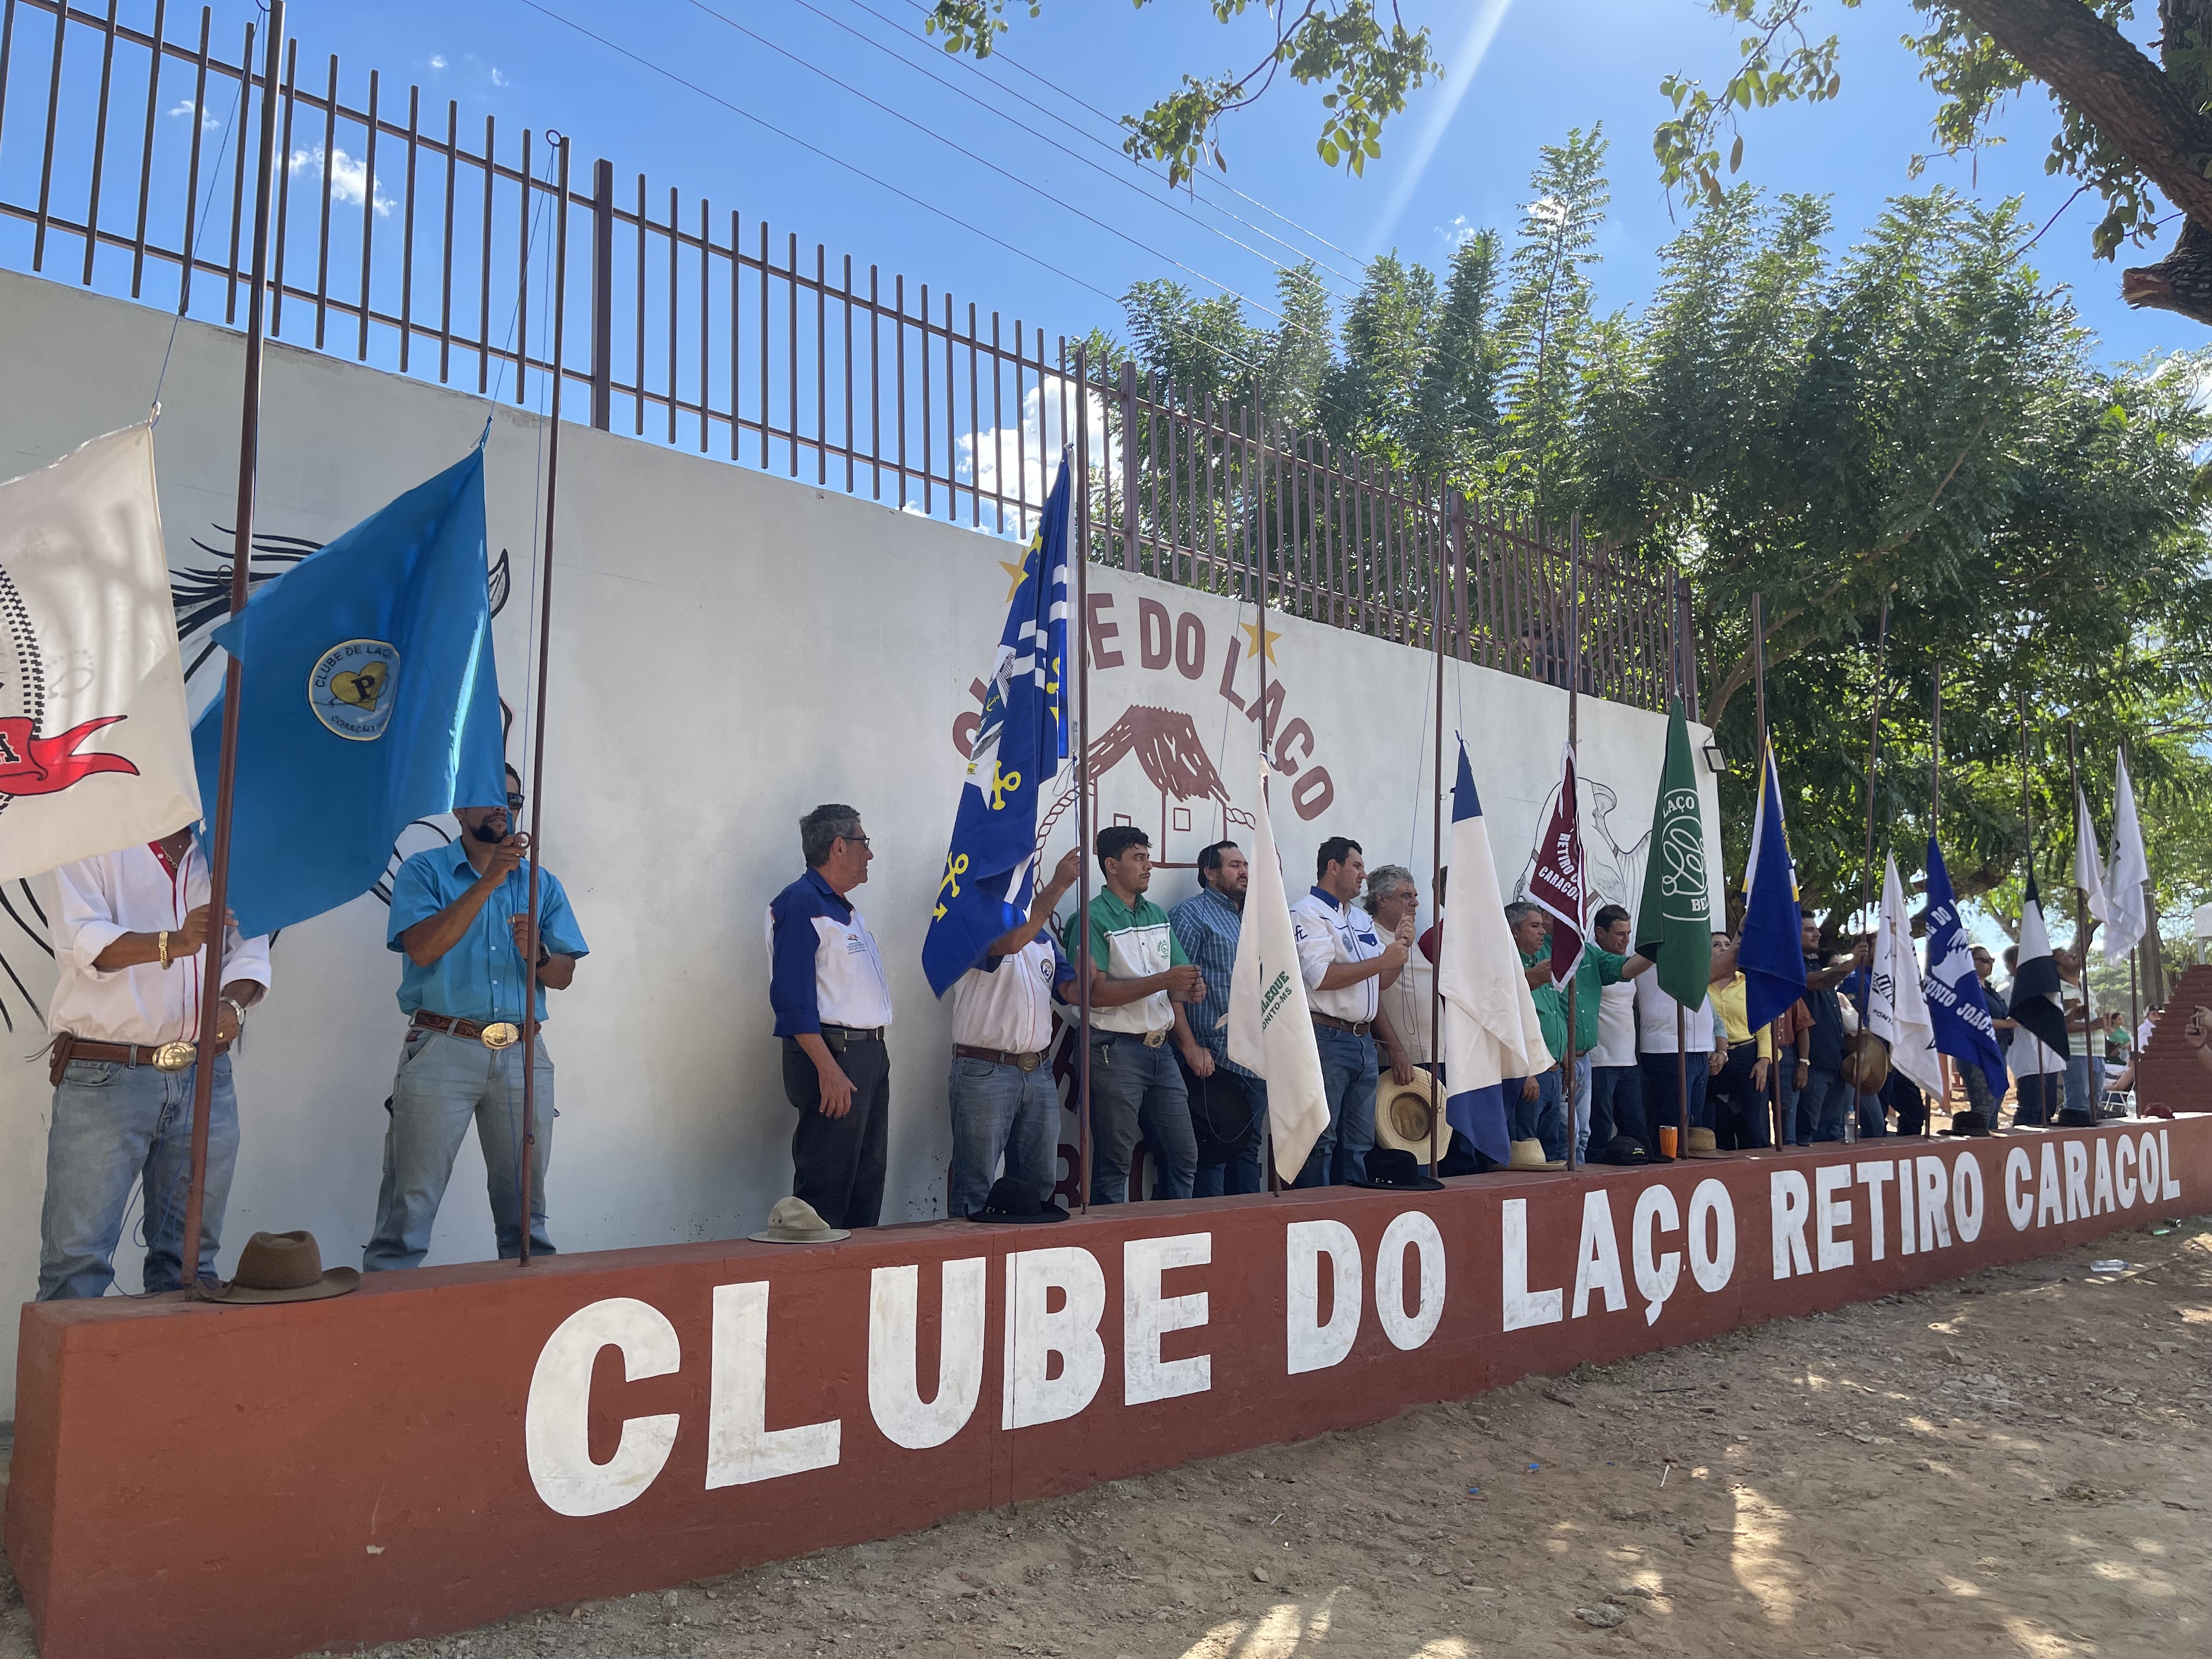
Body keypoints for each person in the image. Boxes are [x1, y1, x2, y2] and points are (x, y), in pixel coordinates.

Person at [367, 765, 589, 1269]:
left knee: (526, 1215)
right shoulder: (424, 871)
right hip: (443, 1047)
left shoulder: (541, 882)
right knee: (409, 1208)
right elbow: (422, 949)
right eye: (491, 799)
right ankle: (382, 1326)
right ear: (459, 809)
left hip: (522, 1053)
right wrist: (488, 882)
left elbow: (563, 976)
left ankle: (529, 1325)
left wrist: (538, 957)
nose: (503, 809)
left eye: (512, 801)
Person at [38, 828, 272, 1299]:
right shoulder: (86, 831)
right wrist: (175, 941)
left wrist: (234, 1005)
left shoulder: (229, 843)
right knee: (76, 1267)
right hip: (106, 1075)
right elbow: (82, 941)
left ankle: (173, 1375)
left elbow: (250, 952)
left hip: (207, 1075)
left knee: (191, 1265)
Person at [766, 803, 892, 1231]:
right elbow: (792, 1000)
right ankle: (817, 1289)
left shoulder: (845, 909)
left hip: (866, 1055)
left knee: (866, 1179)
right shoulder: (801, 904)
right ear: (839, 846)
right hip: (834, 1056)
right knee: (827, 1186)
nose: (869, 854)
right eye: (863, 843)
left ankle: (857, 1283)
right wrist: (828, 1069)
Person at [1067, 826, 1207, 1203]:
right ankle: (1108, 1247)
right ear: (1112, 865)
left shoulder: (1157, 914)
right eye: (1139, 858)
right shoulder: (1090, 917)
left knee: (1184, 1155)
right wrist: (1164, 979)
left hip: (1161, 1049)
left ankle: (1175, 1241)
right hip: (1114, 1049)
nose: (1149, 866)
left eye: (1148, 857)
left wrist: (1190, 989)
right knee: (1115, 1162)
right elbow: (1092, 995)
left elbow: (1174, 987)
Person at [946, 847, 1082, 1219]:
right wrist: (1057, 886)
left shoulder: (1042, 937)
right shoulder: (967, 918)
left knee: (1036, 1188)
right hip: (984, 1070)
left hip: (1038, 1071)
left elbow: (1071, 991)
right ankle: (967, 1265)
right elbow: (1008, 944)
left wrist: (1092, 968)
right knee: (975, 1184)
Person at [1291, 837, 1414, 1186]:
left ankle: (1352, 1212)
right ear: (1334, 867)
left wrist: (1400, 948)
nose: (1363, 875)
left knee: (1359, 1142)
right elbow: (1320, 977)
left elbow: (1382, 982)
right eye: (1356, 866)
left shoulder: (1359, 917)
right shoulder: (1307, 913)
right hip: (1327, 1036)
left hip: (1363, 1040)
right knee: (1323, 1138)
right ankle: (1314, 1212)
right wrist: (1382, 960)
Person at [1170, 840, 1270, 1196]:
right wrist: (1190, 1047)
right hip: (1213, 1061)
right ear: (1209, 873)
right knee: (1213, 1154)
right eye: (1234, 865)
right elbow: (1174, 987)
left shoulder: (1251, 921)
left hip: (1253, 1060)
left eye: (1245, 865)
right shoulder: (1191, 914)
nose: (1244, 871)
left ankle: (1251, 1236)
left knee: (1248, 1153)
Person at [1520, 900, 1653, 1160]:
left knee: (1582, 1134)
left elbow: (1625, 969)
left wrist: (1655, 949)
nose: (1573, 921)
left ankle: (1579, 1185)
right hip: (1553, 1060)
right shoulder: (1537, 952)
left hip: (1583, 1060)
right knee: (1561, 1134)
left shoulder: (1588, 953)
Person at [1635, 934, 1728, 1147]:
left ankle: (1690, 1167)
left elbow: (1714, 1017)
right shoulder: (1649, 957)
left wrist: (1721, 1050)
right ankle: (1669, 1165)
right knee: (1674, 1121)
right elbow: (1722, 967)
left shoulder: (1695, 963)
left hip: (1700, 1051)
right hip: (1667, 1050)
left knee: (1694, 1124)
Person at [1706, 933, 1774, 1149]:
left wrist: (1764, 1060)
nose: (1724, 949)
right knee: (1720, 1125)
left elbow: (1764, 1025)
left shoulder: (1748, 984)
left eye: (1728, 944)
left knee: (1754, 1126)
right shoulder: (1699, 985)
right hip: (1714, 1060)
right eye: (1717, 945)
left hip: (1748, 1057)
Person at [1585, 904, 1645, 1151]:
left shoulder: (1628, 963)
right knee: (1598, 1131)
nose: (1626, 939)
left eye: (1629, 933)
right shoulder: (1589, 961)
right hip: (1599, 1061)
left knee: (1637, 1130)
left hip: (1628, 1062)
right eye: (1620, 934)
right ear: (1600, 932)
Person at [2006, 944, 2063, 1127]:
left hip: (2049, 1056)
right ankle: (2022, 1143)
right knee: (2031, 1107)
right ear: (2017, 963)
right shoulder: (2007, 989)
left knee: (2048, 1108)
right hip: (2029, 1058)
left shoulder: (2041, 987)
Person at [1959, 945, 2012, 1124]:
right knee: (1984, 1105)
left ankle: (1992, 1143)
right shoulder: (1966, 988)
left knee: (1995, 1103)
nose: (1989, 964)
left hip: (1998, 1051)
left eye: (1992, 961)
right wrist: (2006, 1024)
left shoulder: (1990, 989)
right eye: (1984, 960)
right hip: (1978, 1053)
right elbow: (1971, 1019)